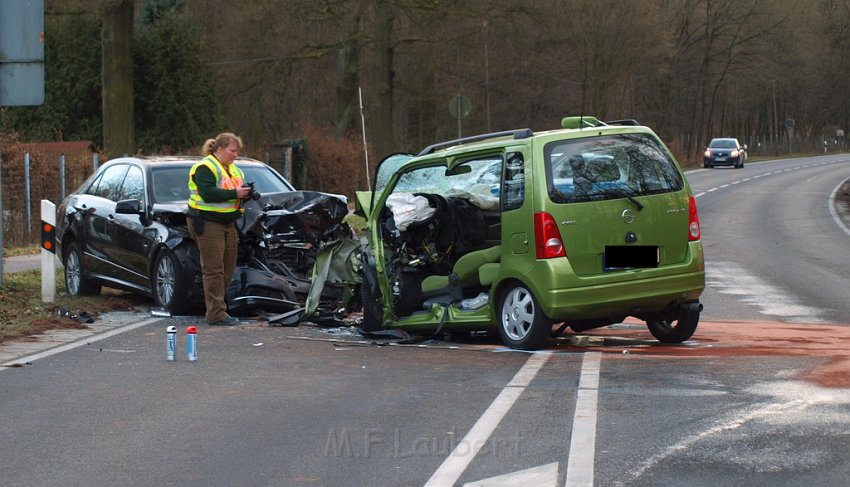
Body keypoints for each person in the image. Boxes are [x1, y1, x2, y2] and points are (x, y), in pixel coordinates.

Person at [187, 132, 253, 326]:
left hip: (228, 223)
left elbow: (233, 193)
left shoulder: (235, 170)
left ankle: (218, 308)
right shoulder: (205, 167)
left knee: (227, 269)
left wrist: (245, 195)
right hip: (207, 222)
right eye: (233, 150)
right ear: (220, 148)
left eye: (237, 151)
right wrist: (236, 193)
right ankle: (216, 314)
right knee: (213, 269)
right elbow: (208, 193)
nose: (235, 155)